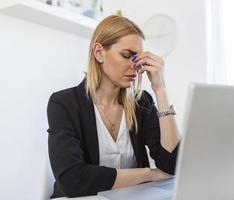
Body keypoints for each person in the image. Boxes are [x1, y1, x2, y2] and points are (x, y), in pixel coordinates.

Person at [47, 15, 180, 198]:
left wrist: (160, 89)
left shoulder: (141, 103)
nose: (135, 66)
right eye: (127, 55)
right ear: (99, 52)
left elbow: (172, 164)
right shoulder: (64, 103)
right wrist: (150, 173)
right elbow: (72, 180)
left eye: (138, 58)